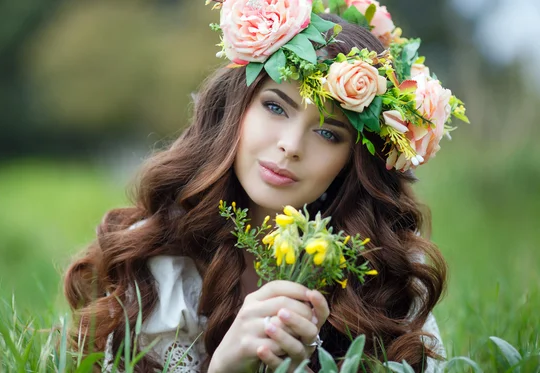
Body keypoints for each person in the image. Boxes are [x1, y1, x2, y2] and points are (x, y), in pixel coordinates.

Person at [64, 1, 467, 371]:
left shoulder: (387, 276)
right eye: (275, 107)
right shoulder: (160, 259)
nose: (291, 146)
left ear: (353, 161)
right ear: (236, 109)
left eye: (329, 134)